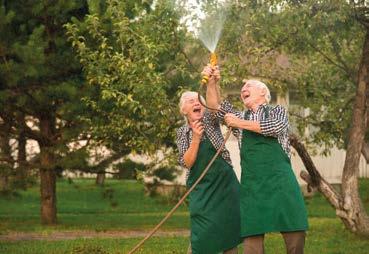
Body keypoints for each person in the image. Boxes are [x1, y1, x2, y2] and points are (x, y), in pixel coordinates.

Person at [203, 66, 308, 254]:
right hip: (253, 187)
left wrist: (238, 123)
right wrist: (212, 83)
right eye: (243, 87)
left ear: (263, 93)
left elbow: (273, 127)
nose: (244, 88)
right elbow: (214, 108)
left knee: (295, 234)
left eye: (248, 85)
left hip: (281, 184)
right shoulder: (239, 116)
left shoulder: (278, 111)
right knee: (251, 243)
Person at [176, 73, 241, 254]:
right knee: (202, 231)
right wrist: (195, 139)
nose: (196, 102)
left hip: (224, 184)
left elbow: (214, 106)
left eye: (198, 100)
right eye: (190, 101)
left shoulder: (210, 121)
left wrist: (212, 82)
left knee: (229, 231)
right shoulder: (182, 133)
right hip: (201, 188)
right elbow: (187, 162)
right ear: (183, 110)